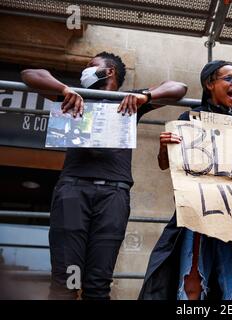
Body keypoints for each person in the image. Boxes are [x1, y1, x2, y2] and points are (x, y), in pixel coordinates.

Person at [21, 52, 187, 300]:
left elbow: (179, 88)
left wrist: (146, 96)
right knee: (66, 282)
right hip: (73, 191)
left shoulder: (130, 101)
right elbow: (29, 75)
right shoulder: (75, 95)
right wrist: (65, 89)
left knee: (98, 285)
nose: (84, 71)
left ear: (109, 72)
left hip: (114, 194)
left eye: (91, 66)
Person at [139, 60, 232, 300]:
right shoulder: (190, 118)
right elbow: (165, 164)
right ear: (210, 84)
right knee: (192, 283)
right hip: (197, 214)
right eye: (229, 79)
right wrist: (164, 146)